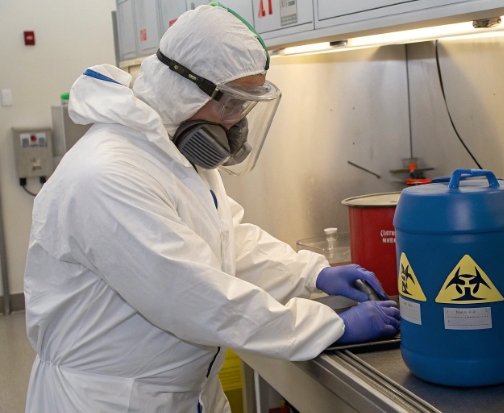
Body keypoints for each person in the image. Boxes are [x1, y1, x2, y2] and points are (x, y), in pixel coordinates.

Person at [23, 4, 399, 412]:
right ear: (184, 89)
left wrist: (312, 273)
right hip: (111, 399)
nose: (238, 124)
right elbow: (194, 295)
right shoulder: (108, 175)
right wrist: (330, 326)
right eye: (233, 103)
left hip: (183, 392)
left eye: (246, 106)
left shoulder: (171, 153)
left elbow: (227, 241)